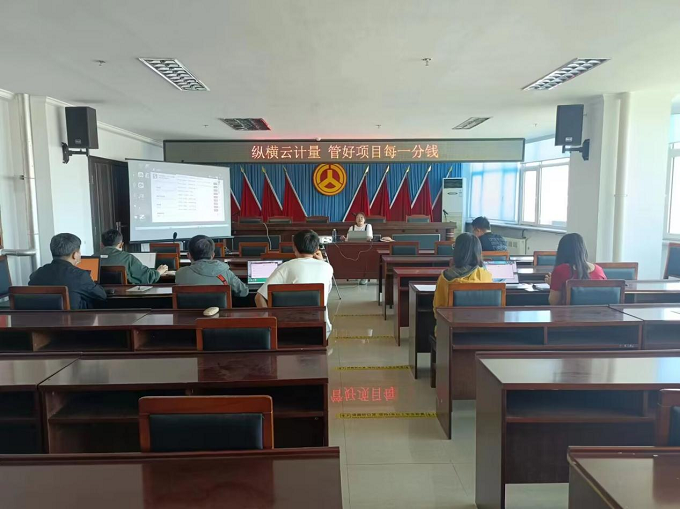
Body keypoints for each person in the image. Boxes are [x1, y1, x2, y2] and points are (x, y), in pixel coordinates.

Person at [255, 230, 334, 335]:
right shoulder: (327, 268)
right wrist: (321, 262)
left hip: (284, 332)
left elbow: (259, 297)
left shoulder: (286, 267)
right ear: (317, 249)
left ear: (294, 247)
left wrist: (270, 323)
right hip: (320, 331)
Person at [28, 233, 107, 309]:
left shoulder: (36, 274)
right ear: (74, 255)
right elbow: (101, 296)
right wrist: (90, 281)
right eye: (79, 252)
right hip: (74, 318)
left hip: (40, 318)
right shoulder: (80, 276)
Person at [433, 232, 493, 312]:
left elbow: (438, 308)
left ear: (457, 251)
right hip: (482, 319)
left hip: (452, 319)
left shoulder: (446, 277)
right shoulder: (486, 276)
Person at [175, 235, 249, 298]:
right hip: (219, 311)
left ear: (189, 255)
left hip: (190, 311)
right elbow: (244, 292)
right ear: (213, 255)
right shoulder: (226, 273)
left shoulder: (180, 273)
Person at [545, 233, 607, 305]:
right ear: (583, 249)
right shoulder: (599, 270)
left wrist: (552, 284)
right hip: (598, 311)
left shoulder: (560, 270)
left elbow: (554, 302)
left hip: (569, 312)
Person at [100, 229, 167, 284]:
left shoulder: (94, 258)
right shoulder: (127, 258)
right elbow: (147, 277)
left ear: (101, 244)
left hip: (97, 295)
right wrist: (158, 272)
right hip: (122, 295)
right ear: (121, 245)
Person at [340, 212, 373, 284]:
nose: (360, 219)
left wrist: (356, 238)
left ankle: (364, 276)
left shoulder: (368, 226)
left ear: (364, 219)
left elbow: (369, 237)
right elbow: (348, 239)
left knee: (364, 257)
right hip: (354, 248)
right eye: (358, 217)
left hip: (365, 248)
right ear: (355, 219)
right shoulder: (352, 228)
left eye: (361, 217)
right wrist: (344, 238)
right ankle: (355, 274)